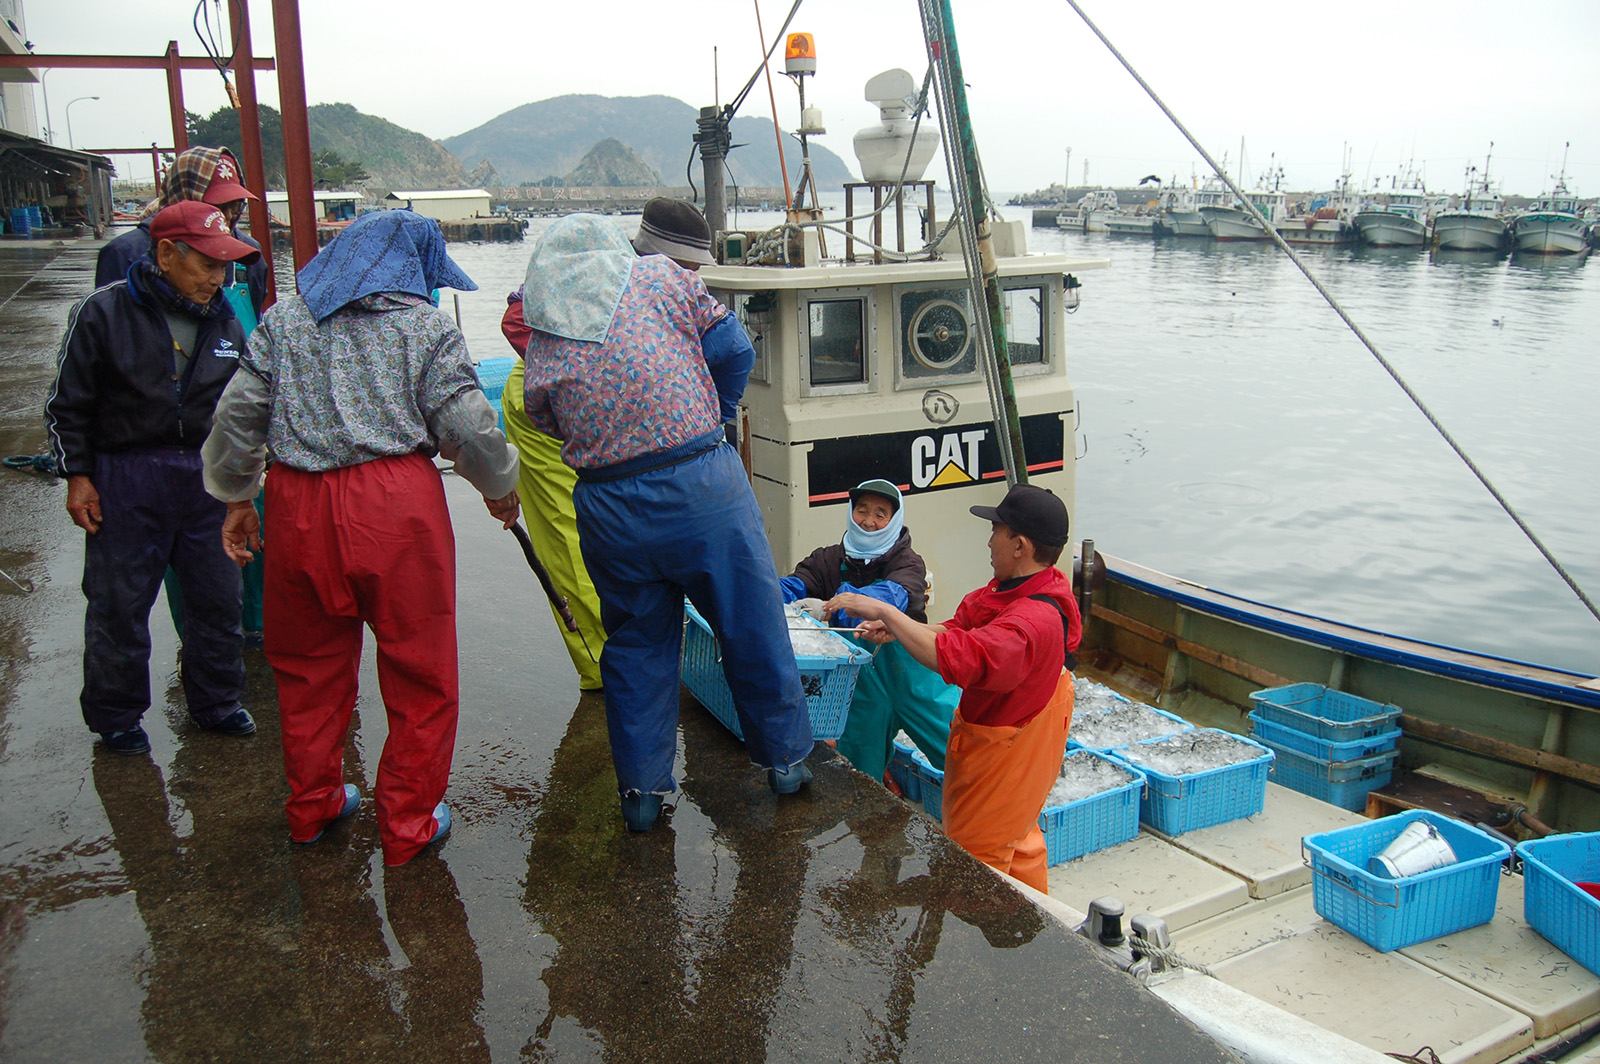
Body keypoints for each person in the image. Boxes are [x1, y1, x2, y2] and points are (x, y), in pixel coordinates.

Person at [200, 210, 520, 866]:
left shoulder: (284, 321)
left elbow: (237, 418)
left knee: (307, 666)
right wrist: (499, 486)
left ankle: (313, 805)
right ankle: (407, 821)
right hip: (397, 509)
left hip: (297, 504)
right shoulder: (425, 327)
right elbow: (469, 427)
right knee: (419, 668)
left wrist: (238, 497)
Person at [517, 213, 812, 833]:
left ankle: (642, 795)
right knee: (749, 619)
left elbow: (542, 415)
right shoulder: (659, 278)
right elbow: (734, 348)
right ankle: (785, 760)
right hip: (700, 483)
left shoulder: (544, 329)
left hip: (608, 506)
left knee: (637, 644)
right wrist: (719, 409)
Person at [46, 200, 262, 755]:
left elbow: (240, 409)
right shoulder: (102, 312)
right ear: (166, 253)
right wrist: (79, 475)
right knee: (119, 602)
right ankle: (116, 716)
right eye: (207, 265)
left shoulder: (224, 319)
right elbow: (67, 405)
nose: (218, 279)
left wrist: (243, 484)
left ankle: (216, 702)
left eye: (224, 267)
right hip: (127, 475)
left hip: (205, 479)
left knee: (218, 598)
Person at [493, 198, 720, 692]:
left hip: (607, 407)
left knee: (618, 534)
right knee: (571, 539)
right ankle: (602, 664)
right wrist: (581, 372)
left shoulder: (660, 282)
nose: (691, 276)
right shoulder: (607, 270)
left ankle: (635, 658)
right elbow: (516, 317)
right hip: (550, 404)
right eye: (688, 265)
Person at [826, 483, 1082, 894]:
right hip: (1017, 731)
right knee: (1021, 839)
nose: (989, 539)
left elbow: (963, 655)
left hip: (1008, 753)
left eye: (996, 530)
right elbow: (959, 628)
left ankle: (992, 946)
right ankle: (1033, 927)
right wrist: (898, 629)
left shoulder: (1032, 623)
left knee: (976, 865)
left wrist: (887, 611)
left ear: (1019, 545)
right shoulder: (1019, 586)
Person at [96, 145, 272, 649]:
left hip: (233, 408)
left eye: (234, 204)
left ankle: (251, 629)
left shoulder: (248, 251)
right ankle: (199, 643)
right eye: (216, 204)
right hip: (162, 435)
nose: (228, 215)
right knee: (177, 560)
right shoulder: (128, 253)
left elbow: (251, 319)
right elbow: (113, 348)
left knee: (247, 520)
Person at [779, 479, 958, 781]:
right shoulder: (828, 559)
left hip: (911, 676)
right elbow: (793, 586)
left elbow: (888, 600)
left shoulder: (908, 563)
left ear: (894, 519)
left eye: (880, 514)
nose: (869, 521)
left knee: (959, 748)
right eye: (862, 511)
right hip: (860, 681)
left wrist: (828, 607)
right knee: (859, 765)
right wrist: (761, 594)